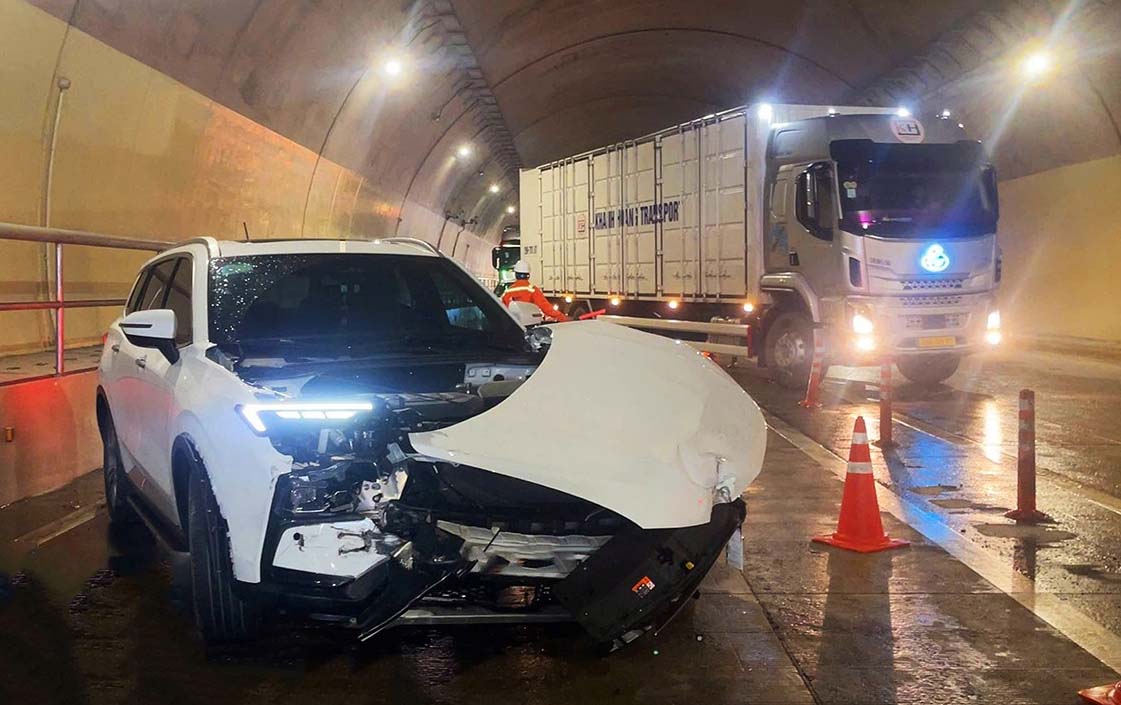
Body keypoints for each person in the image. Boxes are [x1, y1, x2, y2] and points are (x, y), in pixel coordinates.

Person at [501, 260, 569, 322]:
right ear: (528, 275)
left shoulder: (508, 292)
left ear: (515, 274)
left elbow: (503, 311)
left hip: (514, 326)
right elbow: (547, 309)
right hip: (530, 325)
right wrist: (563, 318)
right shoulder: (532, 290)